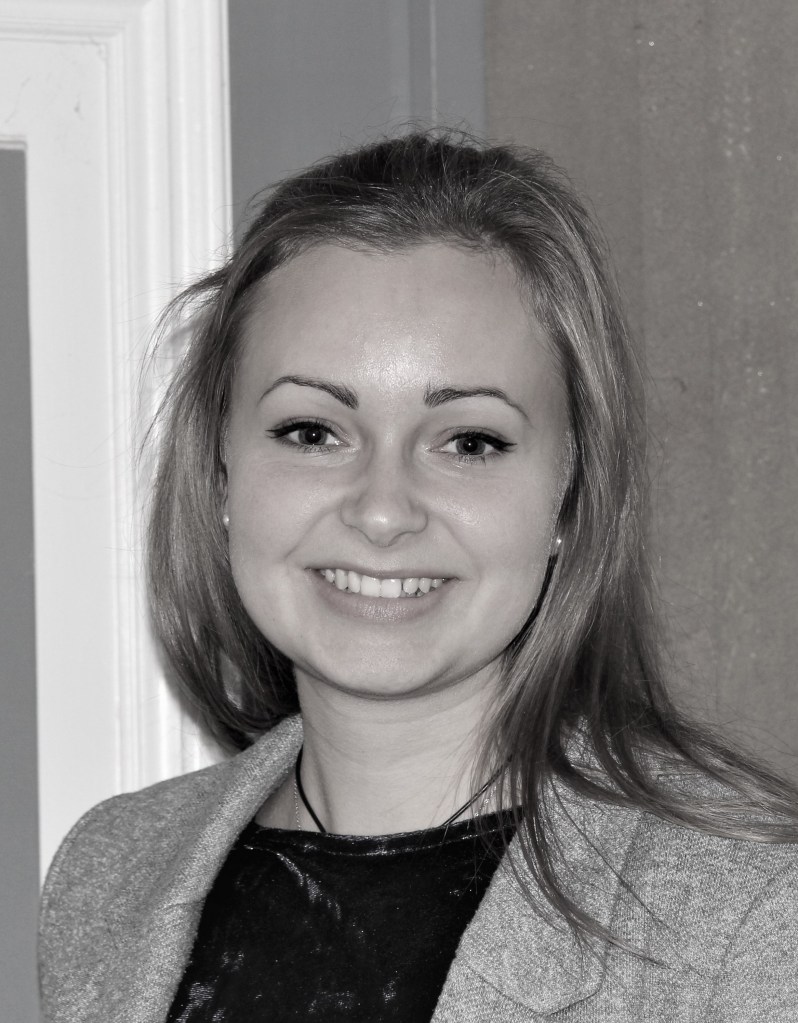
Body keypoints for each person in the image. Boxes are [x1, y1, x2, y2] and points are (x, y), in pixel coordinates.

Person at [39, 130, 798, 1022]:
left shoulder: (751, 911)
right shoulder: (109, 874)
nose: (383, 509)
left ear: (570, 496)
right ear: (220, 476)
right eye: (312, 432)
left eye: (469, 441)